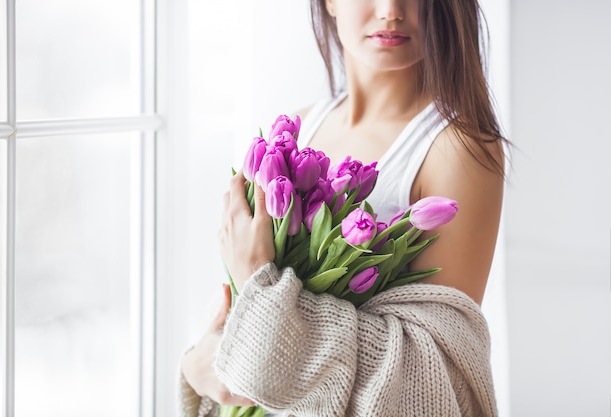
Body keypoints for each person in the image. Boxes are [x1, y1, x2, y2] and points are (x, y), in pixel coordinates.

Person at [181, 0, 508, 415]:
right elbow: (229, 326)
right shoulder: (296, 132)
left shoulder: (456, 148)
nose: (391, 10)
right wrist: (197, 367)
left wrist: (257, 281)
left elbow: (436, 372)